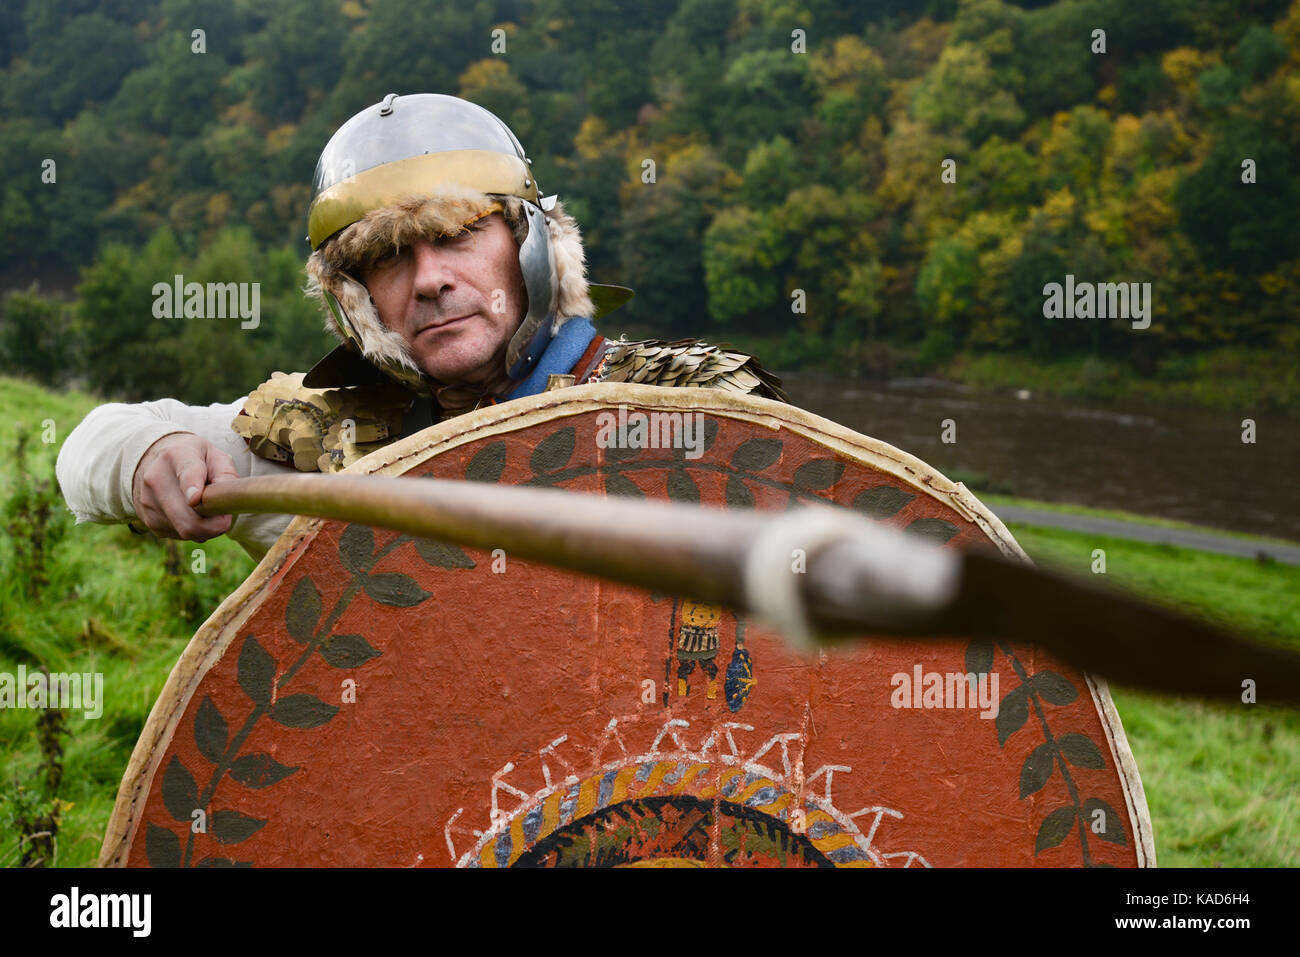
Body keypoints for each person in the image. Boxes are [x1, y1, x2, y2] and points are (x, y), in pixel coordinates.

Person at [56, 93, 785, 562]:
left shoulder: (694, 414)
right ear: (359, 297)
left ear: (528, 246)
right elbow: (89, 449)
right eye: (388, 257)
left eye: (459, 235)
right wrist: (150, 452)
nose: (430, 278)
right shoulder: (323, 446)